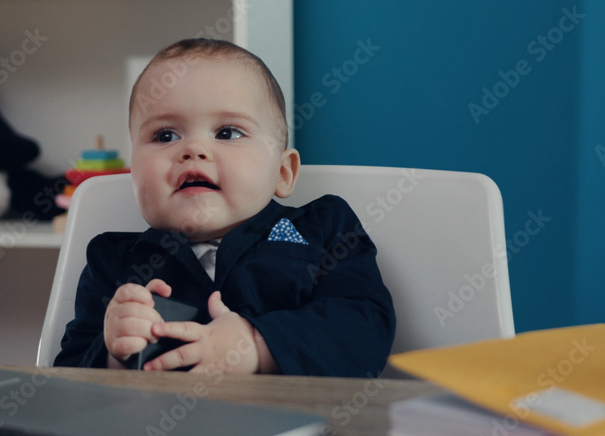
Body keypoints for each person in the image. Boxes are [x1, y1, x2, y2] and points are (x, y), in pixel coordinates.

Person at [54, 39, 395, 377]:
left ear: (282, 172)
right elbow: (66, 377)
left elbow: (365, 330)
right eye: (165, 136)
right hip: (154, 428)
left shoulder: (323, 229)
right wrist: (113, 354)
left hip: (293, 423)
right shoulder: (113, 260)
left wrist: (256, 346)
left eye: (228, 132)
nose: (193, 149)